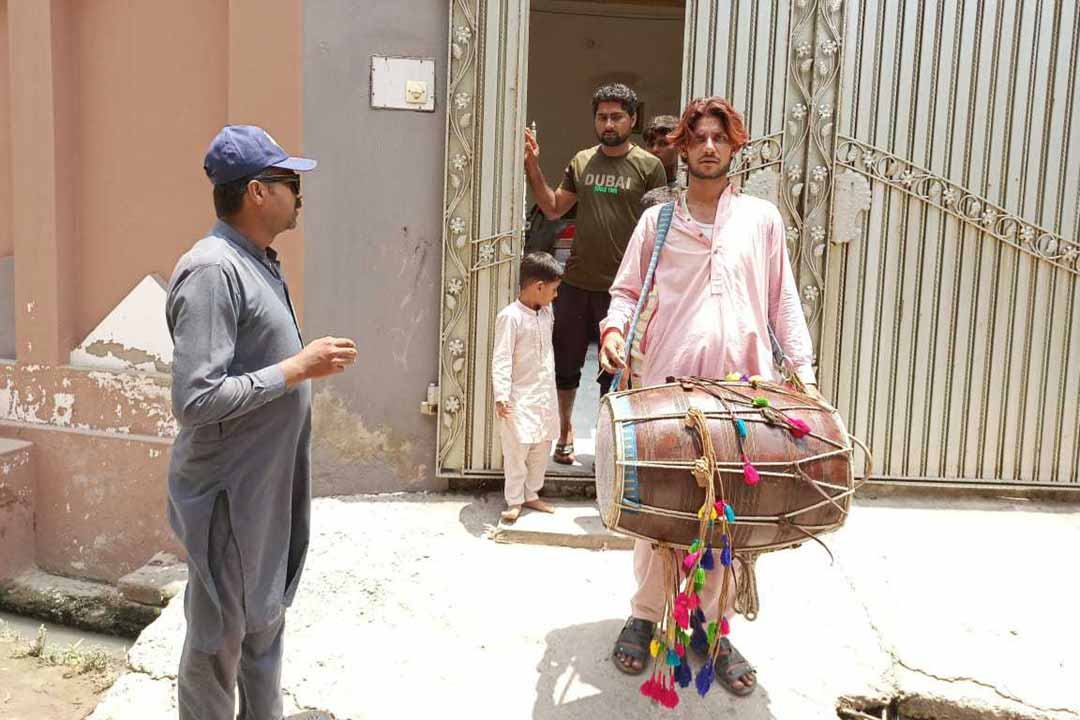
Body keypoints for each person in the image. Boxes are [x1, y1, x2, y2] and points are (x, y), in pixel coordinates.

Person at [599, 98, 826, 696]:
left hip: (743, 392)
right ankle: (645, 615)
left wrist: (800, 371)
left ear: (734, 147)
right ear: (681, 147)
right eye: (696, 137)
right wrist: (614, 332)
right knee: (662, 509)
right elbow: (626, 293)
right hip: (668, 388)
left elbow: (783, 301)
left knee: (729, 519)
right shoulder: (659, 222)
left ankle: (711, 626)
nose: (706, 147)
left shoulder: (761, 220)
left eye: (717, 138)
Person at [167, 125, 358, 720]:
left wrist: (295, 371)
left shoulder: (255, 262)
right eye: (288, 182)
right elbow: (195, 399)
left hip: (263, 489)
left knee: (264, 622)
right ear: (256, 192)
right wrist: (296, 369)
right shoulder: (212, 272)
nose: (298, 194)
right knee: (216, 642)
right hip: (229, 495)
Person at [524, 83, 668, 464]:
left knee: (615, 372)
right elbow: (554, 208)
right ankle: (566, 430)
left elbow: (659, 225)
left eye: (617, 116)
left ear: (632, 120)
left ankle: (608, 445)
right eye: (602, 116)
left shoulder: (648, 166)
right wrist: (532, 167)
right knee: (565, 364)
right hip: (576, 283)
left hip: (621, 290)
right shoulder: (583, 161)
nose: (608, 123)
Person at [492, 252, 564, 523]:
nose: (555, 296)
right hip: (518, 397)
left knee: (541, 447)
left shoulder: (547, 313)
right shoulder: (510, 317)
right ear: (538, 287)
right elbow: (501, 358)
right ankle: (514, 500)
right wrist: (501, 395)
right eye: (553, 290)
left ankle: (532, 494)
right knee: (516, 450)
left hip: (543, 394)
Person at [639, 114, 684, 209]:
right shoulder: (637, 183)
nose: (655, 149)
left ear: (680, 147)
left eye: (663, 144)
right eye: (651, 144)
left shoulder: (689, 188)